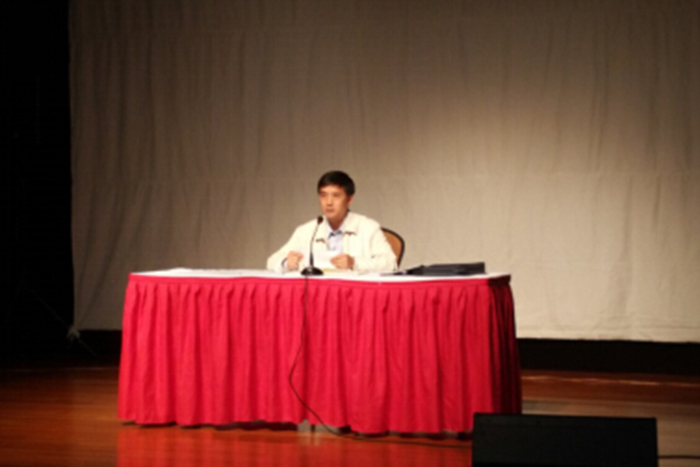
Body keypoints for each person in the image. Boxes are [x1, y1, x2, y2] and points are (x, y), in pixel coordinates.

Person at [266, 171, 397, 273]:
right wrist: (286, 262)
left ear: (349, 199)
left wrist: (354, 263)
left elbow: (390, 263)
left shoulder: (368, 228)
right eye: (323, 196)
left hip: (353, 294)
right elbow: (271, 261)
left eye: (336, 196)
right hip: (317, 293)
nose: (328, 202)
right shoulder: (307, 230)